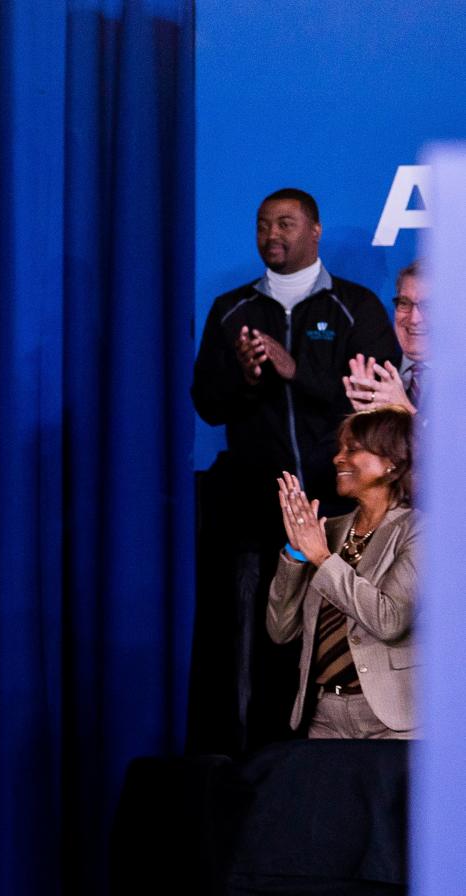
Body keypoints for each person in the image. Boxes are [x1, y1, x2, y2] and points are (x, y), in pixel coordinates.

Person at [187, 188, 400, 753]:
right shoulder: (232, 310)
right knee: (252, 636)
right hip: (255, 511)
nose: (271, 234)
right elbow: (207, 402)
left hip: (340, 511)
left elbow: (378, 410)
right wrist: (247, 375)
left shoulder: (356, 307)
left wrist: (294, 369)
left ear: (315, 230)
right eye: (262, 225)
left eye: (284, 222)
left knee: (335, 633)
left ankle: (325, 753)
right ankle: (247, 759)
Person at [266, 407, 417, 739]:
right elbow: (280, 631)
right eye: (340, 448)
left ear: (392, 463)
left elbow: (389, 620)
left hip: (393, 721)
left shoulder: (420, 531)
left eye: (353, 448)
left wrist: (321, 557)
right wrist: (294, 553)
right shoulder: (326, 531)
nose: (338, 458)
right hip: (324, 716)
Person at [345, 260, 427, 414]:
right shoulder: (370, 379)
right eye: (404, 303)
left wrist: (406, 410)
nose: (414, 319)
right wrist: (364, 420)